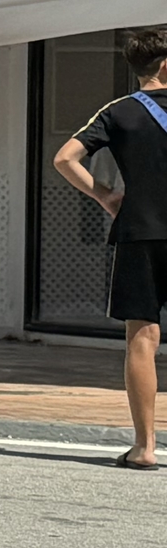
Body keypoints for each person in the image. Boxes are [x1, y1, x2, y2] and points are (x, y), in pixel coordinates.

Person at [51, 26, 167, 470]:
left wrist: (106, 196)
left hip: (140, 230)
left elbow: (64, 158)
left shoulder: (118, 112)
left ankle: (145, 446)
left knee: (142, 337)